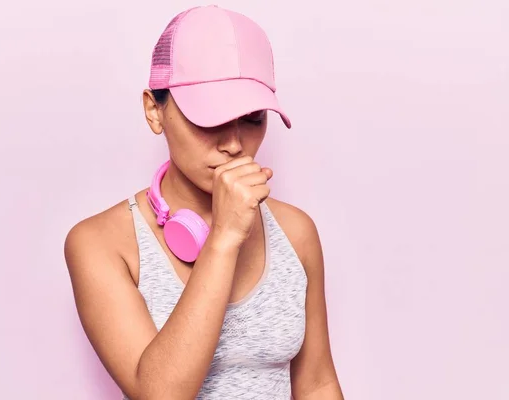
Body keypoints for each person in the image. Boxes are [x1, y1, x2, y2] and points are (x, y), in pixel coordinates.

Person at [64, 5, 343, 399]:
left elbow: (317, 383)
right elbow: (160, 394)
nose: (234, 144)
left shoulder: (296, 233)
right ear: (154, 110)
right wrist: (224, 238)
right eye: (210, 117)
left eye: (251, 117)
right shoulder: (101, 243)